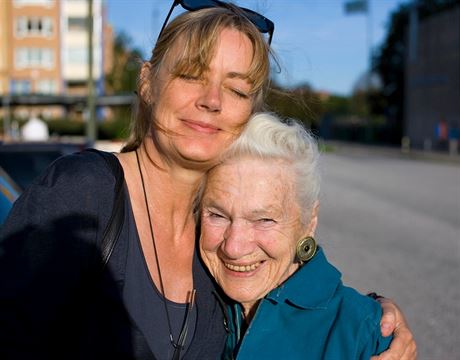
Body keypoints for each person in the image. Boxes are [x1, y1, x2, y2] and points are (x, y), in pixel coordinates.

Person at [0, 1, 415, 359]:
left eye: (235, 90)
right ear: (147, 82)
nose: (211, 100)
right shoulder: (83, 193)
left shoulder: (219, 235)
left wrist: (371, 321)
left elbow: (292, 289)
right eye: (191, 75)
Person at [199, 112, 413, 359]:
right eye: (217, 215)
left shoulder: (364, 337)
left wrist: (370, 323)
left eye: (264, 220)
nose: (234, 247)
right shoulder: (179, 291)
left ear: (309, 222)